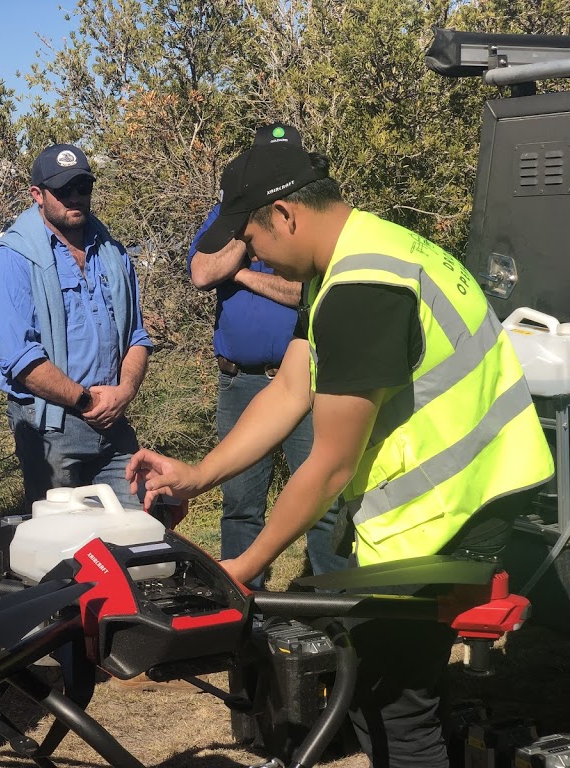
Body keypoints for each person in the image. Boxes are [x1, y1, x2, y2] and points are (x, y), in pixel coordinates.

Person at [127, 136, 553, 766]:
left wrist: (243, 567)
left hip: (449, 513)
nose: (252, 254)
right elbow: (290, 389)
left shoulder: (363, 289)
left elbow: (330, 465)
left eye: (250, 236)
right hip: (453, 503)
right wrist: (199, 474)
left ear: (285, 216)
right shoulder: (355, 257)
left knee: (395, 713)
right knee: (378, 695)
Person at [189, 124, 346, 588]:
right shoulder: (228, 213)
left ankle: (331, 605)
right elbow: (202, 272)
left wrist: (239, 274)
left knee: (322, 500)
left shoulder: (316, 220)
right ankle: (244, 604)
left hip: (304, 378)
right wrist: (245, 228)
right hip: (240, 382)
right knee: (239, 503)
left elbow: (305, 291)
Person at [0, 144, 152, 508]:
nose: (74, 198)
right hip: (52, 425)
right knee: (65, 547)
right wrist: (86, 400)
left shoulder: (113, 253)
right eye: (62, 190)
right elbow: (22, 360)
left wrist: (124, 392)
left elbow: (136, 335)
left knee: (135, 528)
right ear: (37, 195)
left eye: (82, 187)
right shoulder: (11, 259)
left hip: (113, 420)